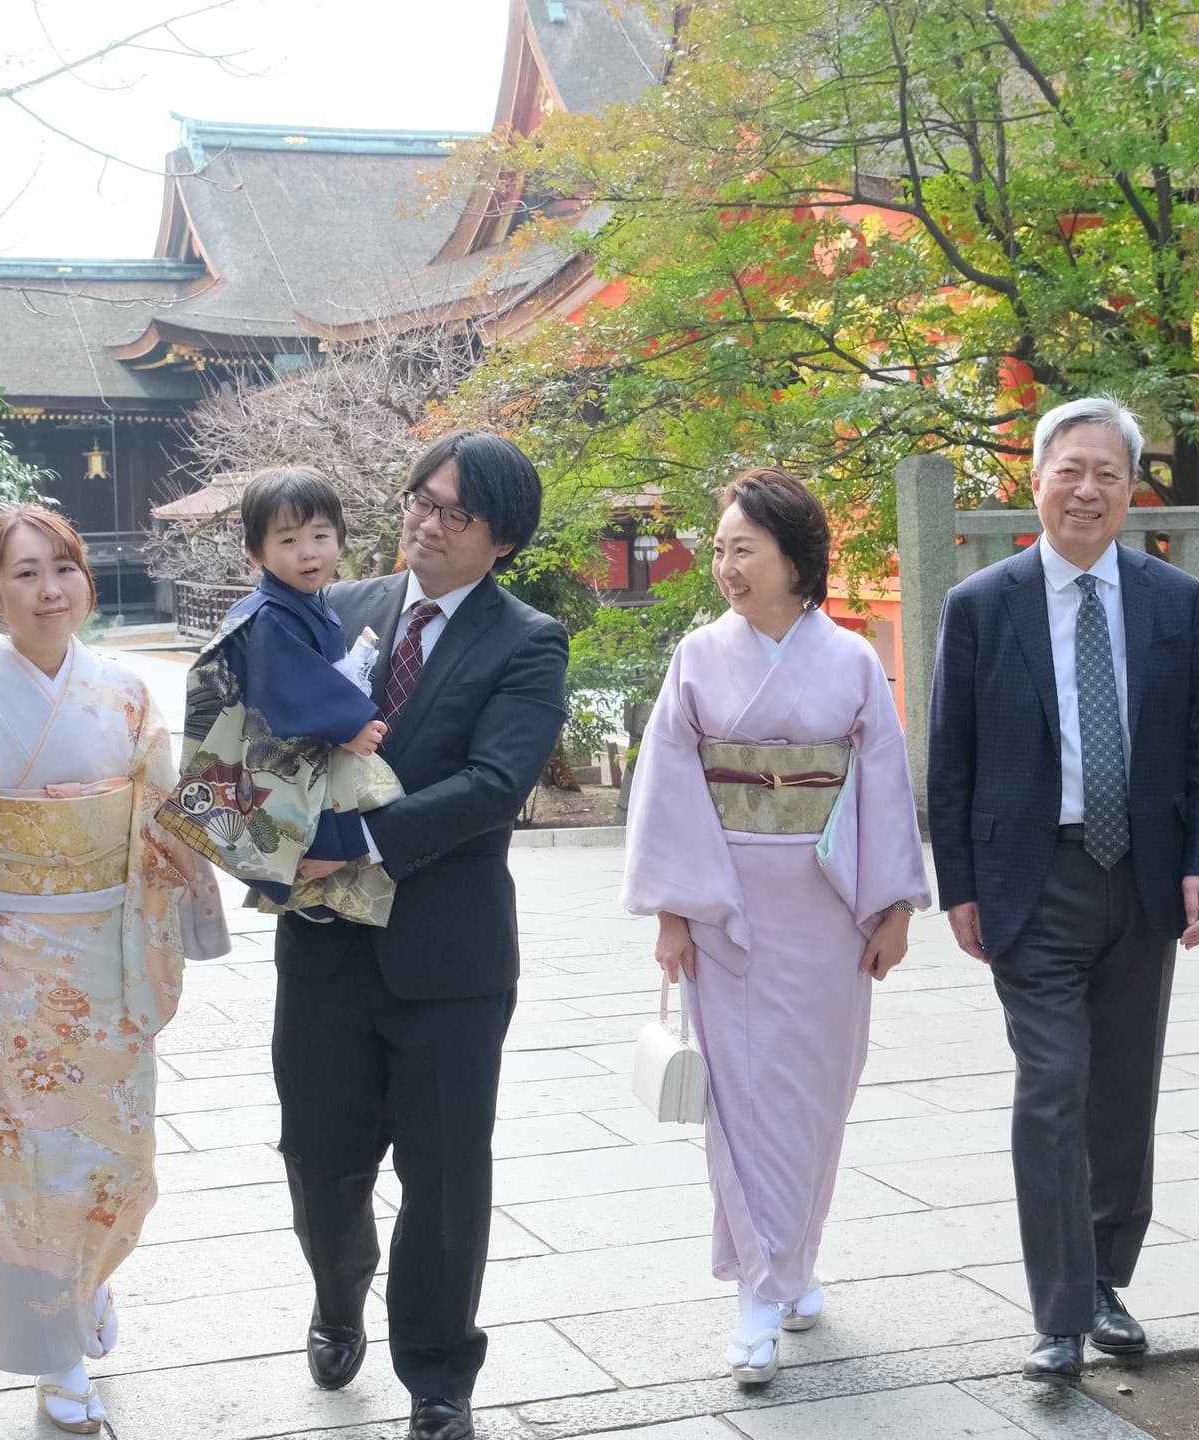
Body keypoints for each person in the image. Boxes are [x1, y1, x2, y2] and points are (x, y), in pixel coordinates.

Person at [0, 505, 230, 1435]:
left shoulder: (127, 691)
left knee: (116, 1158)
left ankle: (88, 1280)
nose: (49, 589)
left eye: (63, 569)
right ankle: (56, 1349)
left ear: (85, 582)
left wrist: (269, 827)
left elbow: (164, 813)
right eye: (25, 574)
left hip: (109, 959)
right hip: (6, 963)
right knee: (24, 1167)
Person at [272, 431, 568, 1440]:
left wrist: (347, 841)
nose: (424, 524)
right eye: (418, 500)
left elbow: (494, 786)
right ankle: (335, 1289)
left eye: (454, 514)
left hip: (448, 958)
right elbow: (259, 730)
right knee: (318, 1156)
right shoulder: (334, 610)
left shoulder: (527, 640)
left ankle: (441, 1375)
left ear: (503, 540)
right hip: (321, 948)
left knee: (444, 1174)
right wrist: (230, 820)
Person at [928, 395, 1199, 1384]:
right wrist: (957, 884)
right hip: (1032, 879)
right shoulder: (981, 605)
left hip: (1141, 876)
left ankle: (1105, 1279)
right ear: (1037, 480)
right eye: (1071, 469)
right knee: (1052, 1087)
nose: (1087, 488)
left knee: (1123, 1096)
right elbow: (951, 758)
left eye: (1107, 472)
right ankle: (1057, 1312)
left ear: (1129, 491)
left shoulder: (1176, 603)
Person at [621, 467, 930, 1387]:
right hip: (727, 907)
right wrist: (675, 911)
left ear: (795, 559)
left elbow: (881, 786)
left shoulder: (849, 663)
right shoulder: (696, 657)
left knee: (816, 1098)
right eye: (718, 549)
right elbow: (670, 785)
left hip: (829, 908)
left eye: (741, 549)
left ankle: (794, 1264)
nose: (723, 566)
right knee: (745, 1104)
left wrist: (894, 908)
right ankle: (759, 1293)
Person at [156, 466, 400, 925]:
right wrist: (349, 725)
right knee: (321, 797)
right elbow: (289, 682)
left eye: (321, 536)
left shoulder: (310, 599)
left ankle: (315, 878)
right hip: (280, 740)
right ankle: (312, 877)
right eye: (288, 541)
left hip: (306, 736)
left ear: (340, 539)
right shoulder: (269, 616)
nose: (308, 553)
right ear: (256, 553)